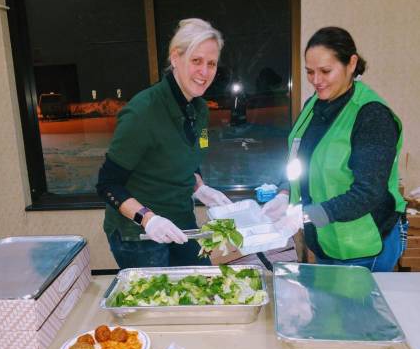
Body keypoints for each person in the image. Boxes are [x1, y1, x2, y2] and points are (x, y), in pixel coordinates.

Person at [262, 26, 407, 272]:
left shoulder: (372, 115)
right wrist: (285, 192)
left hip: (364, 244)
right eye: (309, 72)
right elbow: (302, 160)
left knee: (359, 311)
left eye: (325, 71)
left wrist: (305, 216)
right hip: (326, 240)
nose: (316, 80)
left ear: (351, 64)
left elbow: (368, 192)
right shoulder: (313, 106)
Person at [96, 18, 231, 269]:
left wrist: (199, 187)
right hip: (138, 233)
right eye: (196, 60)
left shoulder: (199, 109)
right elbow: (107, 184)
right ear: (175, 58)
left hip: (181, 219)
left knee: (201, 286)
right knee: (158, 304)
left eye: (211, 63)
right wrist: (148, 219)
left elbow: (187, 158)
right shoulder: (143, 112)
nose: (204, 72)